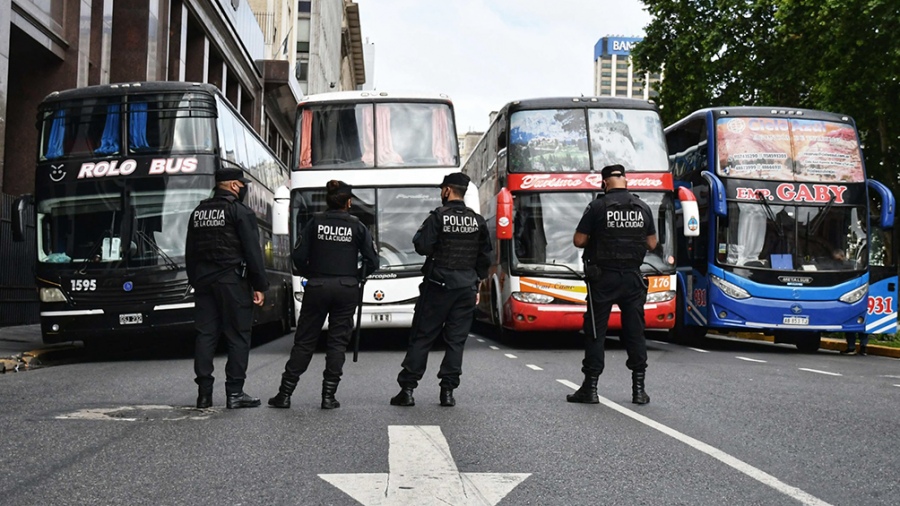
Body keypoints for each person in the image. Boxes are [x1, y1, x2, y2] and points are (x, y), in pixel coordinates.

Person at [268, 180, 378, 410]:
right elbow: (373, 261)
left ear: (328, 200)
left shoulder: (314, 222)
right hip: (346, 288)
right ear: (348, 202)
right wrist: (354, 276)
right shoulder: (357, 226)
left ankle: (285, 394)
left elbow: (297, 257)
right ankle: (328, 396)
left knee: (305, 341)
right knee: (337, 343)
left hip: (317, 286)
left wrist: (313, 273)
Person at [390, 172, 491, 407]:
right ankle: (447, 392)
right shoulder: (477, 220)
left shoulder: (438, 217)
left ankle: (407, 389)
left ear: (447, 190)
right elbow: (485, 257)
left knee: (422, 337)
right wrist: (476, 282)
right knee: (456, 341)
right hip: (466, 287)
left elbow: (422, 246)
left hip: (438, 286)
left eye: (441, 189)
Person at [569, 164, 657, 405]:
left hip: (603, 278)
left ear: (604, 182)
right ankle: (639, 390)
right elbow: (652, 244)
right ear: (626, 181)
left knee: (596, 332)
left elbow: (579, 240)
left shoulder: (597, 206)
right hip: (632, 278)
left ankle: (591, 388)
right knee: (635, 332)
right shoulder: (643, 207)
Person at [185, 167, 268, 409]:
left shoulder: (198, 212)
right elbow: (253, 251)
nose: (243, 189)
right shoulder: (240, 211)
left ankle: (204, 394)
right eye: (242, 185)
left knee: (205, 335)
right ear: (233, 185)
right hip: (232, 281)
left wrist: (195, 280)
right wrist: (259, 285)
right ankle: (234, 393)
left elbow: (190, 251)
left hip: (204, 282)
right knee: (238, 336)